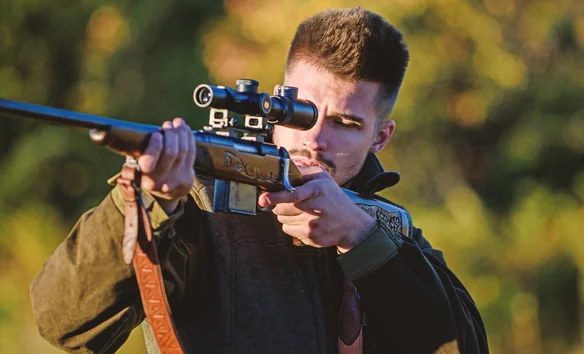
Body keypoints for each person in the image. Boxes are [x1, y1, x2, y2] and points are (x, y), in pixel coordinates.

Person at [30, 7, 488, 354]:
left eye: (345, 124)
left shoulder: (377, 225)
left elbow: (460, 339)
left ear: (380, 136)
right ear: (277, 102)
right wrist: (147, 202)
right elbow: (63, 320)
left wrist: (359, 238)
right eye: (302, 112)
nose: (314, 138)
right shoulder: (197, 201)